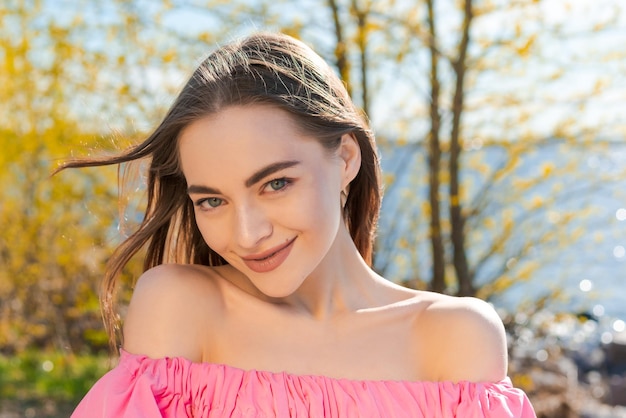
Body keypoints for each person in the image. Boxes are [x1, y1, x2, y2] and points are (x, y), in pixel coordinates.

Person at [63, 32, 536, 417]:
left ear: (346, 157)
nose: (246, 234)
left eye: (275, 184)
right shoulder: (182, 307)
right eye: (212, 200)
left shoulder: (453, 337)